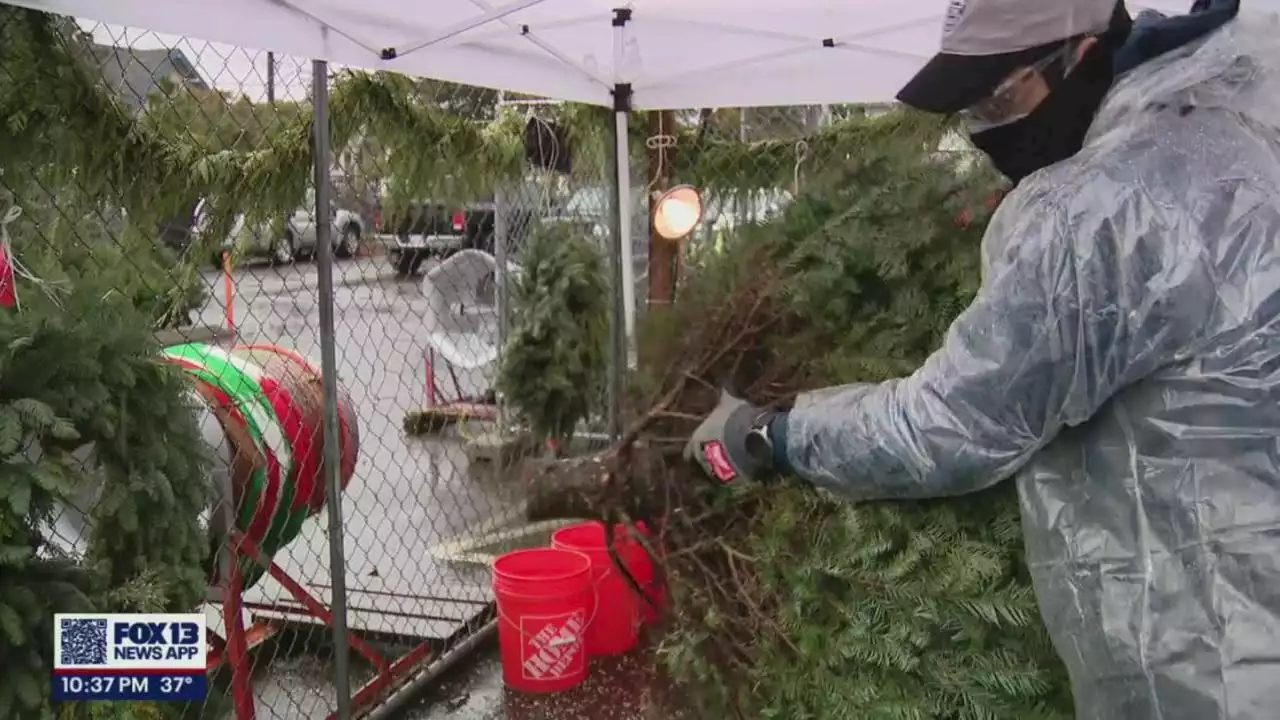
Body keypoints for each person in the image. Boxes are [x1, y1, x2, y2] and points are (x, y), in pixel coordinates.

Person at [684, 0, 1280, 717]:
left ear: (1084, 51)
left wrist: (768, 434)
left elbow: (948, 426)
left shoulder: (1095, 212)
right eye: (971, 110)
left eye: (1001, 96)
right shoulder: (1238, 124)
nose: (987, 131)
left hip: (1210, 662)